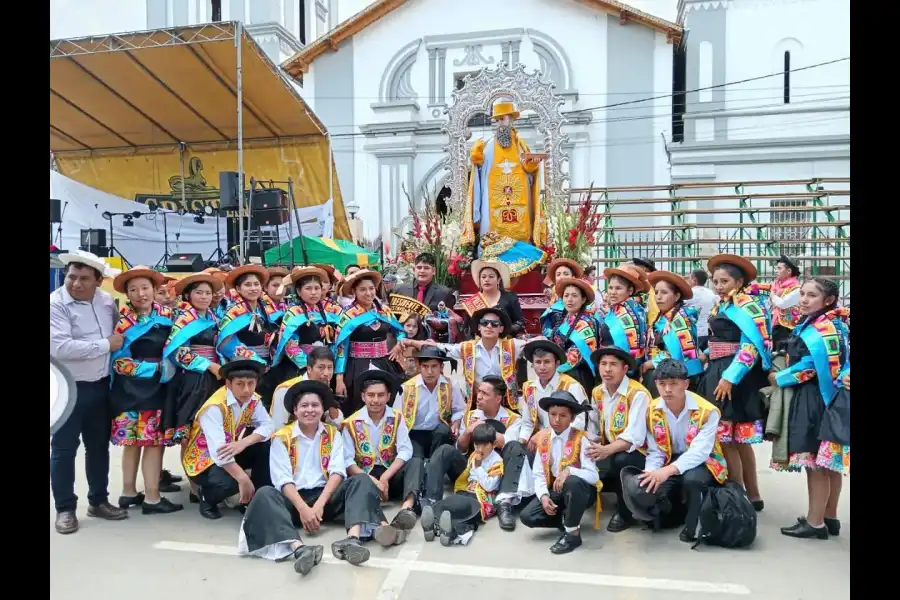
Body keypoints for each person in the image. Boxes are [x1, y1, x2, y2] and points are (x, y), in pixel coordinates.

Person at [237, 380, 384, 573]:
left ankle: (353, 540)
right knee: (264, 494)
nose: (310, 410)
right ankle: (300, 549)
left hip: (325, 499)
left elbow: (337, 472)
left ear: (322, 409)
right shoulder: (281, 437)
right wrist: (304, 509)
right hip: (293, 502)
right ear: (295, 411)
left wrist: (318, 507)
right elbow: (283, 480)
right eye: (304, 406)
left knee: (361, 480)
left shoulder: (332, 434)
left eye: (315, 405)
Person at [50, 250, 128, 534]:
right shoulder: (55, 305)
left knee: (98, 447)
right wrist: (106, 345)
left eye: (84, 278)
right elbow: (60, 348)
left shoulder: (106, 301)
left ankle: (98, 501)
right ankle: (65, 509)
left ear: (98, 281)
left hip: (100, 386)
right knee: (63, 450)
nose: (75, 284)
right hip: (67, 389)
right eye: (71, 277)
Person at [770, 278, 849, 540]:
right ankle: (830, 516)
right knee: (829, 464)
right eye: (802, 294)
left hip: (814, 399)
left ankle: (815, 523)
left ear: (828, 301)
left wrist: (779, 378)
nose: (803, 300)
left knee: (815, 463)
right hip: (827, 398)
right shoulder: (831, 323)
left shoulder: (823, 328)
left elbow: (811, 368)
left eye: (811, 296)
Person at [697, 254, 771, 511]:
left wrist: (730, 378)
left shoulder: (749, 306)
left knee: (732, 438)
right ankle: (748, 494)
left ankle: (742, 493)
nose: (718, 286)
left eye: (724, 281)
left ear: (739, 282)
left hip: (734, 375)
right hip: (717, 370)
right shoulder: (722, 305)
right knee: (732, 439)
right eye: (715, 281)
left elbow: (751, 346)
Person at [108, 266, 183, 515]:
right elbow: (119, 362)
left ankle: (134, 493)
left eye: (145, 288)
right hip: (132, 391)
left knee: (151, 443)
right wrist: (155, 369)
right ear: (127, 294)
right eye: (133, 290)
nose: (140, 294)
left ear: (154, 290)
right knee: (140, 443)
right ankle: (146, 497)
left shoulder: (169, 317)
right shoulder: (123, 323)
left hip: (159, 390)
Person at [633, 359, 727, 543]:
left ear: (686, 383)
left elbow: (699, 452)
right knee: (650, 486)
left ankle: (693, 525)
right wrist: (651, 473)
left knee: (692, 479)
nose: (667, 389)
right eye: (662, 384)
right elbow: (656, 450)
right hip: (669, 457)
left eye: (673, 383)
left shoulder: (708, 411)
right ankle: (677, 512)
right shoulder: (652, 409)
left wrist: (666, 471)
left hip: (705, 461)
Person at [424, 376, 530, 532]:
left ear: (498, 399)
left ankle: (504, 505)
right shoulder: (470, 415)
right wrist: (467, 432)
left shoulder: (513, 419)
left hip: (497, 472)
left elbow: (508, 443)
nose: (479, 396)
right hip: (472, 467)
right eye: (479, 391)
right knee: (445, 450)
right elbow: (461, 449)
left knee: (515, 446)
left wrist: (485, 428)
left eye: (485, 394)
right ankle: (431, 503)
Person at [181, 359, 275, 519]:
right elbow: (219, 452)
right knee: (228, 484)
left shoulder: (254, 400)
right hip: (203, 460)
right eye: (240, 384)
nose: (246, 390)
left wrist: (243, 442)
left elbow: (268, 425)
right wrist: (243, 478)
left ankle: (258, 496)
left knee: (265, 444)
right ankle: (207, 497)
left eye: (251, 383)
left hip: (231, 448)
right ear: (228, 384)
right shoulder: (214, 407)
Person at [162, 272, 225, 501]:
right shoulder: (184, 319)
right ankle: (194, 486)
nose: (205, 297)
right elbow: (178, 352)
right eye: (199, 292)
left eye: (208, 293)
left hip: (215, 376)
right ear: (188, 295)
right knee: (190, 430)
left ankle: (209, 478)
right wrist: (209, 366)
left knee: (211, 431)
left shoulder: (213, 317)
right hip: (193, 379)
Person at [342, 371, 422, 546]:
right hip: (365, 475)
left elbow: (405, 450)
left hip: (391, 472)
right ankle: (383, 526)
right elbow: (347, 460)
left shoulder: (397, 417)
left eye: (380, 395)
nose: (375, 400)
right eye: (371, 395)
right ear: (363, 396)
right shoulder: (350, 423)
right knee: (360, 483)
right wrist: (373, 481)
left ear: (388, 396)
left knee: (415, 461)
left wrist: (385, 477)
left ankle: (405, 509)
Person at [519, 391, 599, 554]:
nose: (556, 420)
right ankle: (566, 518)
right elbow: (538, 473)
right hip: (557, 490)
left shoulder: (581, 439)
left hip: (581, 491)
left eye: (563, 416)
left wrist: (569, 471)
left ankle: (572, 534)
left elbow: (593, 475)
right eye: (552, 414)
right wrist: (543, 496)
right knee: (528, 516)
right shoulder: (544, 439)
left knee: (573, 482)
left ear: (571, 418)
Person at [462, 99, 547, 251]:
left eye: (503, 119)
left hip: (519, 198)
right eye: (497, 120)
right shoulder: (487, 146)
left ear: (511, 120)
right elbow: (479, 174)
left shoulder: (521, 145)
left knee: (521, 229)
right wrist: (477, 160)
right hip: (492, 199)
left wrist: (533, 163)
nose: (500, 123)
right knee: (490, 231)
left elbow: (528, 169)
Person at [585, 346, 652, 532]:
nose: (607, 369)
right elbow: (594, 426)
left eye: (613, 364)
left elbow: (634, 438)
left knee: (620, 459)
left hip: (640, 451)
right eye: (603, 364)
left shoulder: (638, 394)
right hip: (611, 446)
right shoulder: (597, 392)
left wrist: (605, 450)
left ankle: (625, 513)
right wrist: (589, 443)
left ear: (624, 369)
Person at [419, 307, 530, 410]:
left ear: (501, 329)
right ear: (479, 327)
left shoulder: (512, 345)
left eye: (495, 324)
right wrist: (411, 342)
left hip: (505, 403)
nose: (489, 326)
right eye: (485, 323)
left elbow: (534, 343)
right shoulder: (468, 347)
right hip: (477, 403)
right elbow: (443, 348)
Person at [334, 269, 407, 414]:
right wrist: (339, 377)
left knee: (388, 403)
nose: (368, 293)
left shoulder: (384, 311)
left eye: (371, 288)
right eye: (363, 289)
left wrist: (399, 343)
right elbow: (341, 346)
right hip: (356, 365)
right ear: (354, 291)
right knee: (359, 406)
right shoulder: (348, 315)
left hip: (384, 362)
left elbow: (399, 330)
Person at [420, 423, 504, 547]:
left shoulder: (497, 462)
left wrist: (478, 467)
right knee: (452, 503)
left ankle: (451, 533)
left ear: (494, 444)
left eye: (485, 445)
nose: (480, 449)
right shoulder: (474, 455)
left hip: (483, 497)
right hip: (467, 489)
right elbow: (468, 476)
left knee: (465, 513)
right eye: (476, 445)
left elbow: (489, 486)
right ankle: (435, 525)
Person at [216, 264, 284, 410]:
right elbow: (225, 343)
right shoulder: (234, 311)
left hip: (268, 366)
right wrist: (255, 360)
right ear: (238, 289)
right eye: (247, 285)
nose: (253, 288)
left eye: (256, 284)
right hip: (246, 368)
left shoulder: (264, 309)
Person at [394, 347, 466, 458]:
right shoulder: (406, 388)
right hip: (414, 433)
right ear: (419, 366)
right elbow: (396, 417)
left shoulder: (451, 385)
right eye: (425, 366)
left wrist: (456, 423)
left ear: (441, 367)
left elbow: (460, 410)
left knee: (443, 431)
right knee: (417, 460)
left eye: (434, 366)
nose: (429, 372)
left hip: (439, 434)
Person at [271, 266, 338, 384]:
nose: (313, 292)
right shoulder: (293, 313)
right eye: (308, 288)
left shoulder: (329, 313)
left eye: (317, 288)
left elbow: (334, 342)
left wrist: (329, 364)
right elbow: (289, 345)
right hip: (300, 368)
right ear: (298, 291)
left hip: (324, 370)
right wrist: (308, 366)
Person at [642, 270, 703, 397]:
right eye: (656, 292)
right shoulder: (663, 317)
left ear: (676, 296)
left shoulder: (681, 319)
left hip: (675, 379)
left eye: (664, 292)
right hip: (663, 374)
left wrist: (651, 363)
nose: (658, 297)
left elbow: (678, 351)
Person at [519, 340, 589, 449]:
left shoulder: (571, 386)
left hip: (567, 442)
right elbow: (527, 423)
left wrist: (546, 435)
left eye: (547, 362)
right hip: (539, 441)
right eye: (538, 362)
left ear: (556, 364)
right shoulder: (529, 388)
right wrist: (522, 441)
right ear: (533, 364)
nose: (542, 367)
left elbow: (578, 424)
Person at [541, 276, 600, 394]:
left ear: (583, 299)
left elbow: (576, 354)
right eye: (566, 295)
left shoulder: (587, 322)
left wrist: (553, 369)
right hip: (559, 370)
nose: (569, 299)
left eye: (574, 296)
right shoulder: (564, 319)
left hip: (578, 373)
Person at [271, 347, 344, 430]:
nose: (326, 373)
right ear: (309, 369)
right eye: (321, 367)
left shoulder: (325, 388)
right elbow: (278, 427)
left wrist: (330, 399)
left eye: (330, 368)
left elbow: (338, 425)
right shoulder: (286, 390)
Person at [600, 265, 649, 377]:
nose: (612, 292)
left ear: (630, 290)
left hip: (622, 371)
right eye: (611, 287)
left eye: (618, 288)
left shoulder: (628, 312)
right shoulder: (628, 308)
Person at [461, 259, 525, 336]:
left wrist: (505, 330)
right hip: (479, 343)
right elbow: (466, 328)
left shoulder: (510, 298)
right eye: (483, 277)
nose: (486, 280)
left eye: (491, 277)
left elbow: (520, 322)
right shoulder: (473, 302)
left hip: (505, 342)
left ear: (498, 280)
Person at [769, 255, 803, 352]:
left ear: (789, 271)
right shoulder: (778, 286)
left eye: (779, 268)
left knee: (782, 353)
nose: (776, 271)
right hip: (777, 324)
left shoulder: (796, 288)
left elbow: (782, 304)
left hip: (787, 327)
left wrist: (772, 295)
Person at [684, 269, 716, 351]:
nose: (688, 280)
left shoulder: (688, 294)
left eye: (690, 278)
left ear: (694, 280)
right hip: (708, 331)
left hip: (693, 332)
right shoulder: (711, 294)